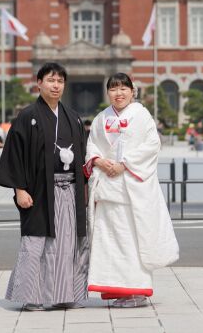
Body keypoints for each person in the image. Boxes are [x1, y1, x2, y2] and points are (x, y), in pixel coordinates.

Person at [0, 62, 89, 311]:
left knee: (68, 243)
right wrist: (19, 189)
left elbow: (83, 155)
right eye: (50, 80)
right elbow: (15, 154)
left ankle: (64, 295)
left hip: (70, 190)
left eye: (60, 81)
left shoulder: (73, 117)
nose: (56, 85)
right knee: (36, 243)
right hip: (39, 191)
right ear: (39, 83)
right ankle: (32, 296)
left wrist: (86, 190)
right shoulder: (28, 116)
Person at [84, 73, 179, 308]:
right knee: (110, 241)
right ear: (108, 93)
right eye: (114, 89)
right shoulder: (101, 118)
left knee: (132, 241)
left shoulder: (141, 115)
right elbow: (91, 145)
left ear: (133, 92)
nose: (119, 93)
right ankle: (117, 288)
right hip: (107, 187)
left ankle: (136, 291)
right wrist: (98, 160)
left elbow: (152, 145)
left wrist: (124, 163)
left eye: (123, 88)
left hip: (131, 187)